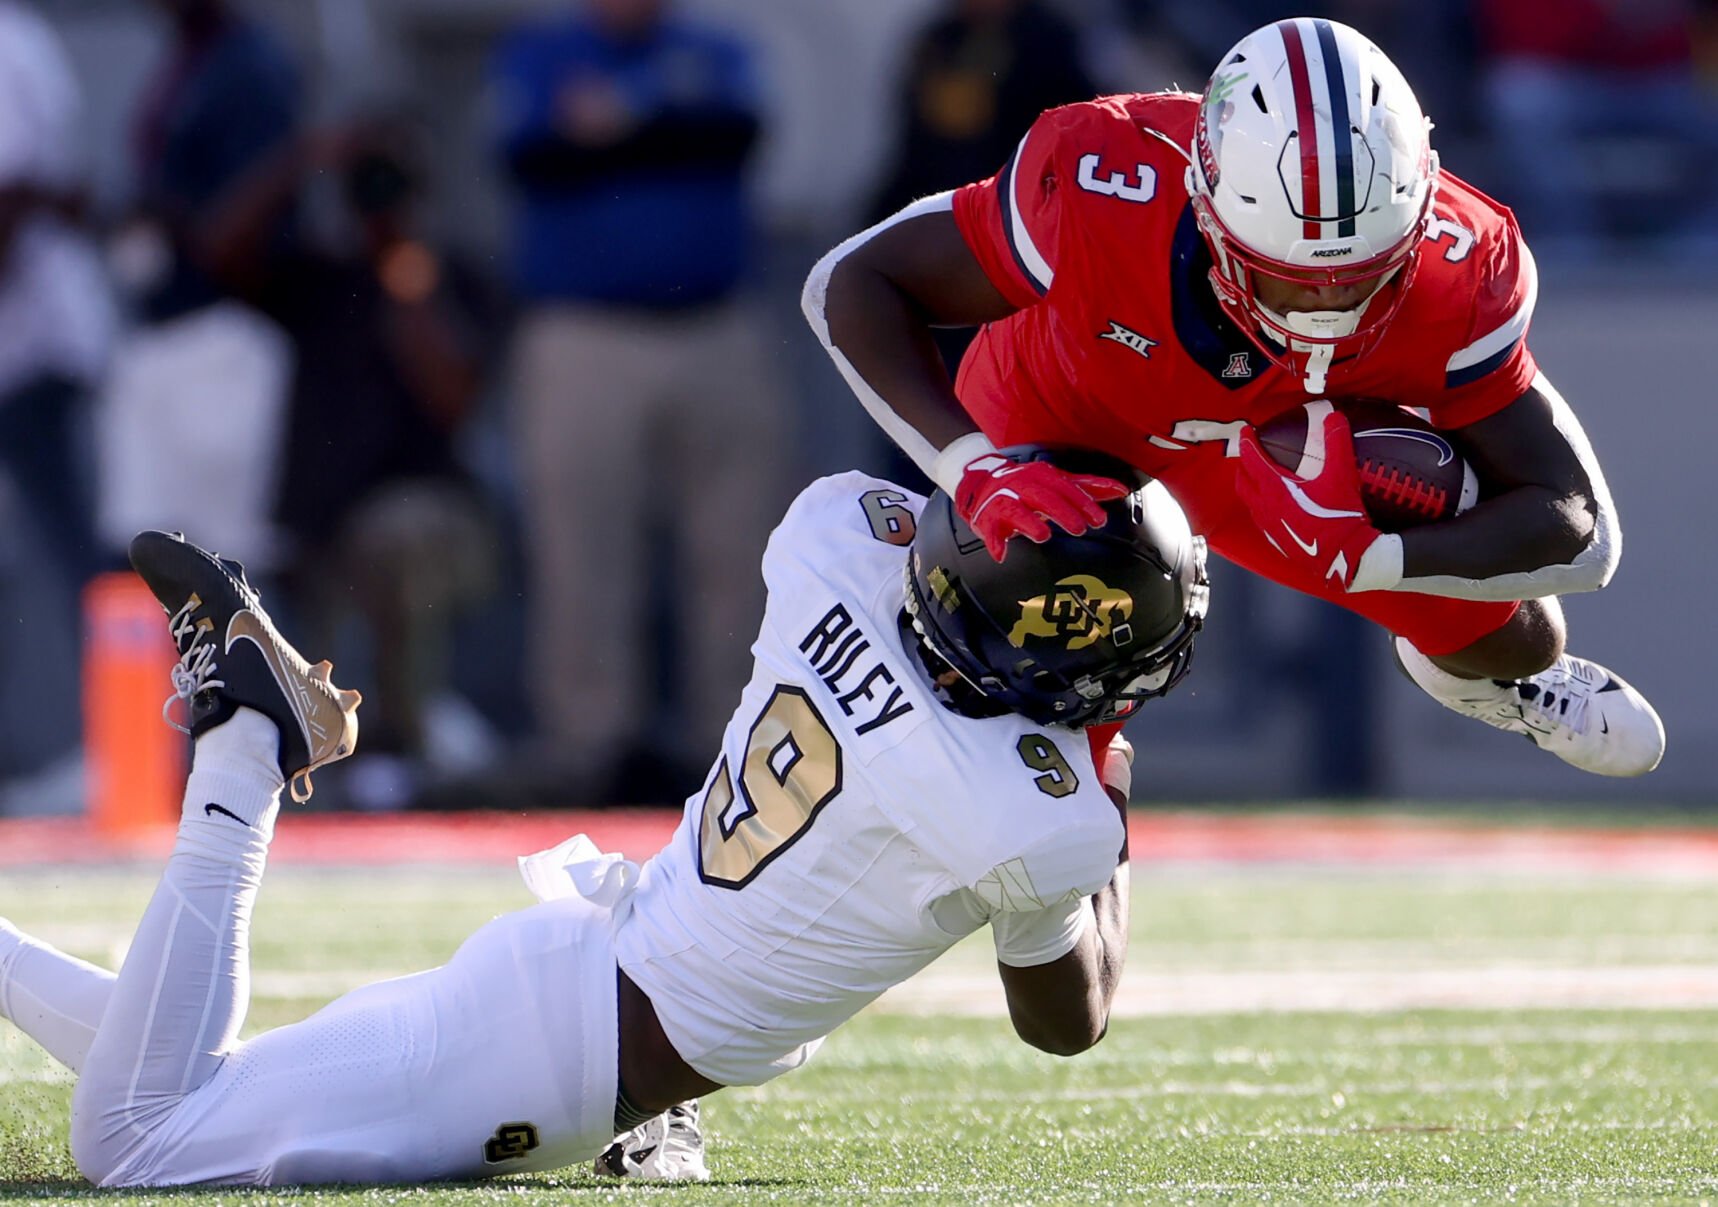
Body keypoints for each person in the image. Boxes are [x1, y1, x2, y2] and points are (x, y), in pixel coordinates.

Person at [0, 451, 1208, 1187]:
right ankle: (250, 743)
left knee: (179, 1081)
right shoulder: (1029, 817)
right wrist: (1101, 764)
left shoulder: (836, 534)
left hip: (581, 963)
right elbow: (1067, 1019)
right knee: (135, 1140)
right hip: (565, 1061)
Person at [803, 15, 1666, 780]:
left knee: (1523, 639)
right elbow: (849, 283)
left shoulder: (1459, 263)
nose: (1329, 313)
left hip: (1270, 457)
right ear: (1208, 207)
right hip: (1062, 425)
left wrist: (1373, 557)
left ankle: (1481, 682)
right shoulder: (1105, 178)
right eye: (1290, 282)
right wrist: (974, 466)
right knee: (1040, 750)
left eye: (1363, 278)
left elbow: (1585, 533)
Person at [491, 0, 789, 803]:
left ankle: (738, 744)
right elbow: (534, 157)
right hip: (585, 330)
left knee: (740, 552)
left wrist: (621, 122)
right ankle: (588, 749)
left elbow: (735, 136)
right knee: (581, 551)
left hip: (715, 325)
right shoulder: (544, 51)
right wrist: (656, 126)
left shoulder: (712, 48)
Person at [201, 122, 503, 787]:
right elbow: (217, 252)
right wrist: (301, 159)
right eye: (367, 179)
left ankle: (412, 733)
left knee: (401, 535)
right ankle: (355, 757)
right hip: (319, 524)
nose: (378, 195)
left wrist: (408, 285)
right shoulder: (318, 277)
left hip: (431, 514)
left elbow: (455, 398)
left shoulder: (451, 276)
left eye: (391, 179)